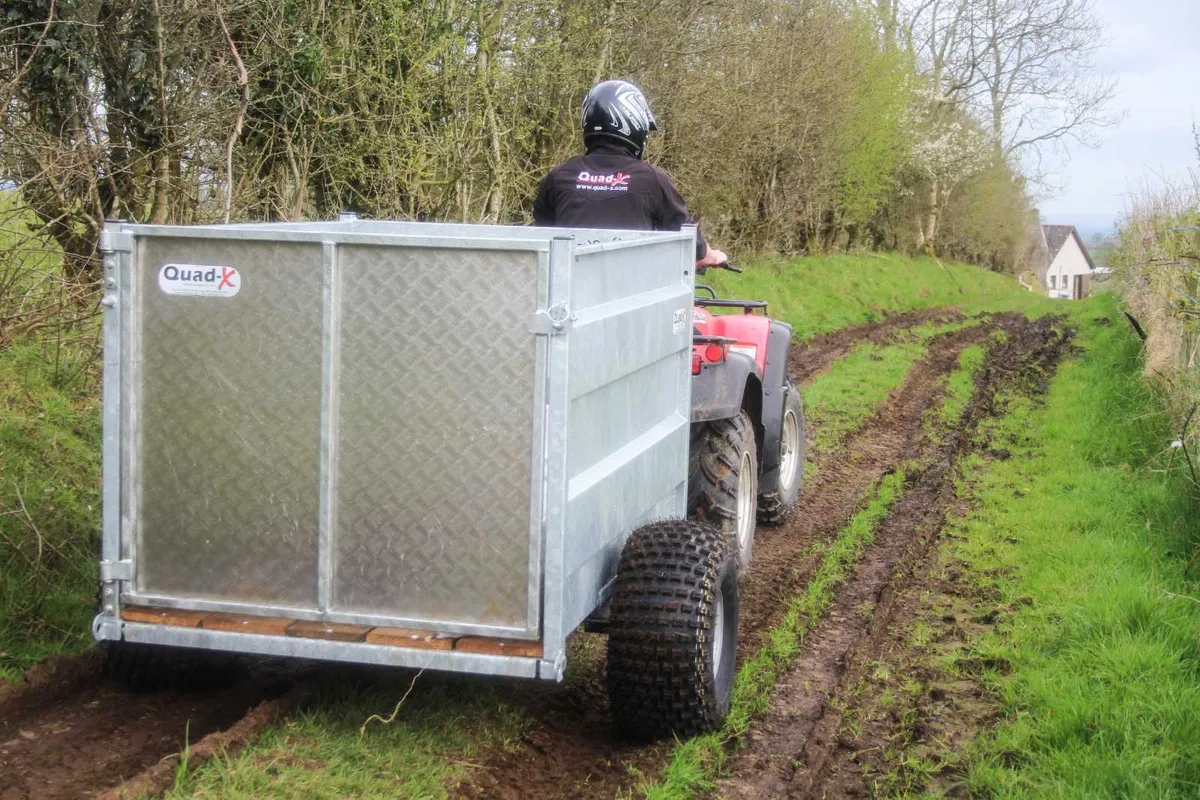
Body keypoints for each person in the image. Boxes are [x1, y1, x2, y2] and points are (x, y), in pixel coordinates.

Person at [533, 79, 727, 269]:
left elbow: (541, 236)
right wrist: (710, 256)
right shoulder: (652, 181)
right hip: (630, 294)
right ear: (633, 123)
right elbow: (687, 237)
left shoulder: (558, 178)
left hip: (566, 293)